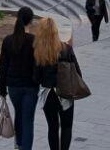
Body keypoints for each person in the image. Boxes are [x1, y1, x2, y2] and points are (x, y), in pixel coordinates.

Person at [34, 17, 81, 150]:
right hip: (65, 91)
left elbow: (36, 77)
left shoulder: (38, 52)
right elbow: (78, 72)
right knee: (67, 126)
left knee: (52, 128)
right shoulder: (66, 48)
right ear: (56, 31)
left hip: (48, 93)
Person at [0, 7, 38, 150]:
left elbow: (3, 66)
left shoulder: (8, 40)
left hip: (13, 86)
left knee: (19, 116)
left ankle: (19, 145)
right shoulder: (34, 41)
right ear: (31, 21)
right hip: (30, 86)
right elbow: (37, 65)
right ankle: (24, 147)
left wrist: (1, 88)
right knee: (28, 120)